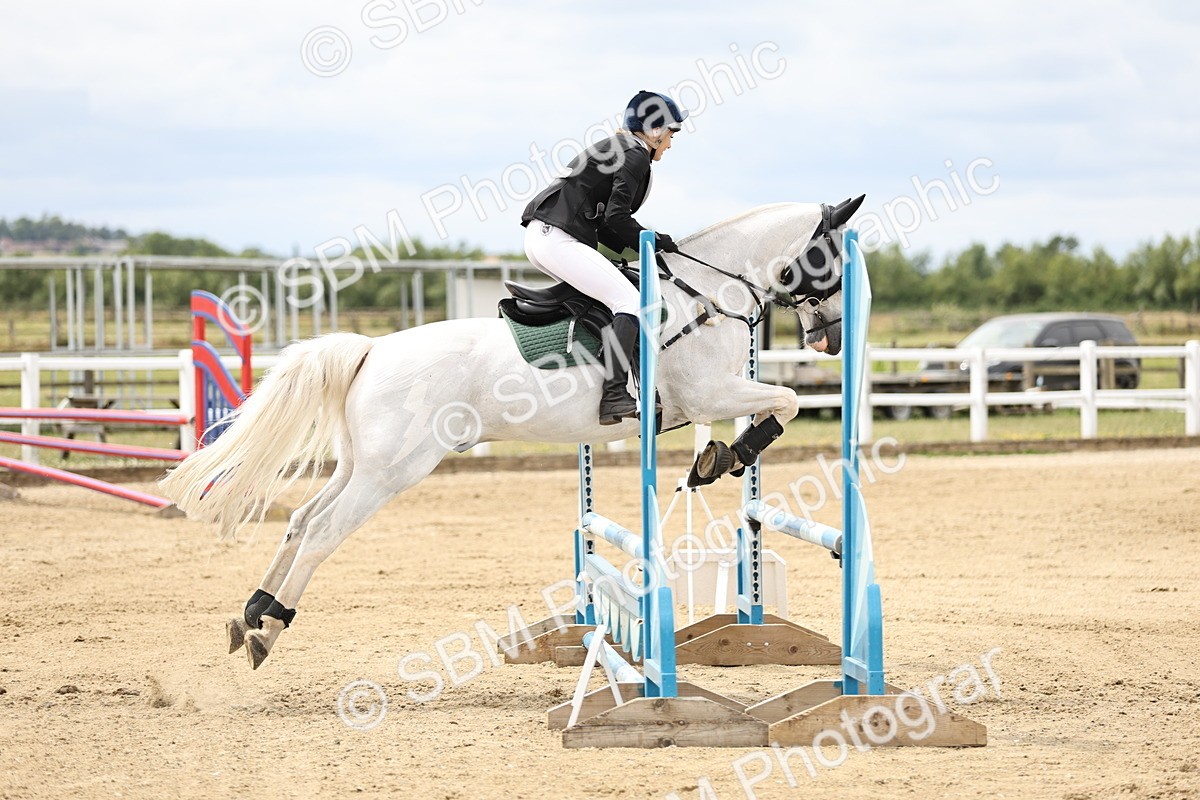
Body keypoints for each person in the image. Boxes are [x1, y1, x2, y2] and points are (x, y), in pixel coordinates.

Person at [521, 90, 687, 425]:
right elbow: (617, 218)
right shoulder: (635, 154)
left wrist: (646, 246)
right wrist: (655, 241)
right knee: (630, 302)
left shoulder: (618, 147)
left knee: (615, 293)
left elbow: (609, 226)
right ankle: (613, 396)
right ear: (655, 131)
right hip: (557, 238)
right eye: (671, 134)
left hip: (545, 236)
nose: (670, 144)